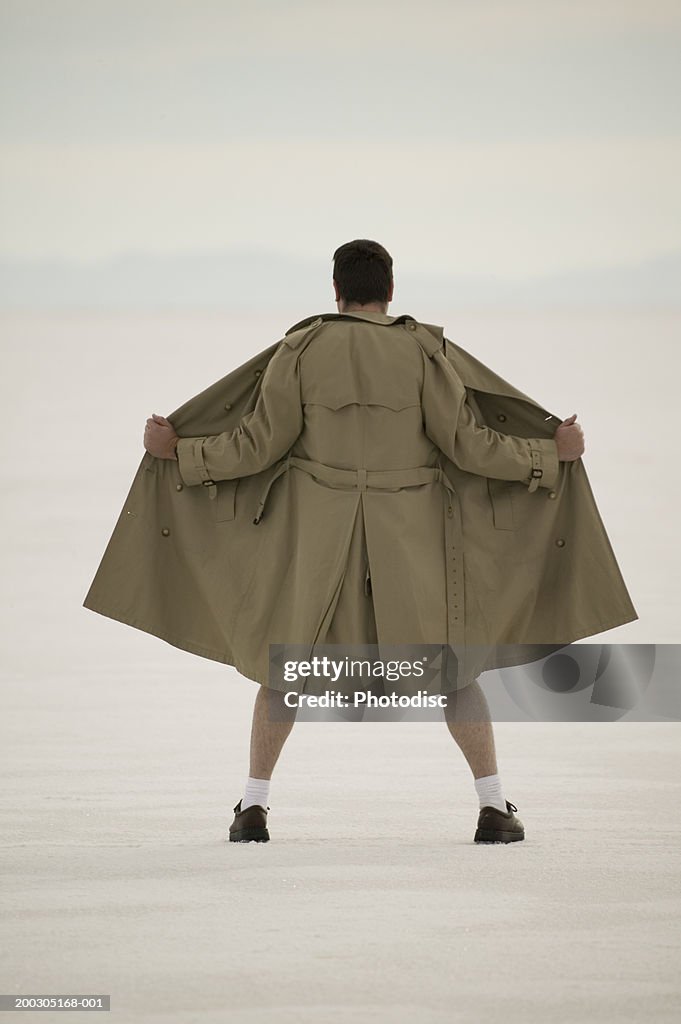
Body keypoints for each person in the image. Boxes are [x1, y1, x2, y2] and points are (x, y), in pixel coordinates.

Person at [143, 239, 585, 845]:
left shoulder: (300, 349)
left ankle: (252, 808)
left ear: (335, 291)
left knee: (285, 666)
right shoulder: (422, 351)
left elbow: (256, 445)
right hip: (413, 543)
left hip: (319, 543)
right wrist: (546, 457)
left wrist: (181, 454)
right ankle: (492, 809)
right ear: (391, 291)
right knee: (454, 668)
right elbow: (469, 445)